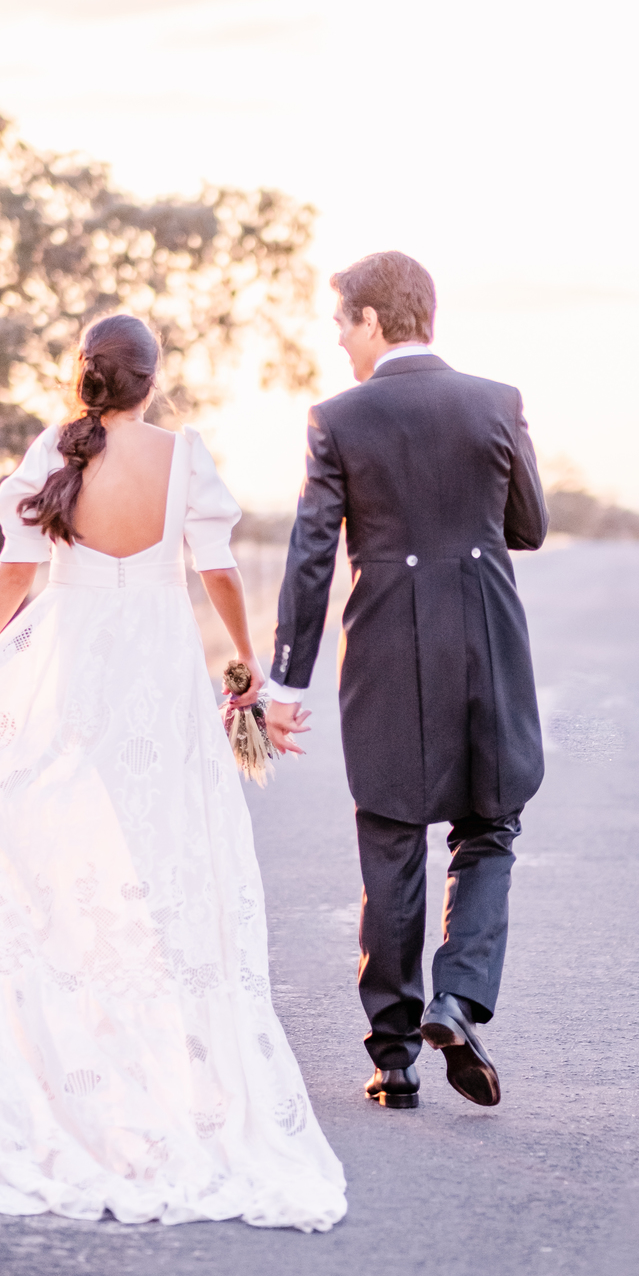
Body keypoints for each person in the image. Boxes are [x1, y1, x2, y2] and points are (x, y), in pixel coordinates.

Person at [0, 314, 346, 1233]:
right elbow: (219, 572)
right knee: (167, 859)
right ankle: (154, 1060)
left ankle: (75, 1045)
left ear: (85, 378)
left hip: (74, 666)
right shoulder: (182, 453)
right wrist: (245, 664)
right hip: (157, 674)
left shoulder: (56, 450)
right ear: (151, 381)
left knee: (67, 849)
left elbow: (14, 571)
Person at [265, 252, 547, 1112]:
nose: (338, 341)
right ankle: (457, 1000)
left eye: (340, 323)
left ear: (374, 320)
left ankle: (393, 1060)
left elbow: (313, 557)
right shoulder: (497, 402)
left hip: (385, 649)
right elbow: (529, 527)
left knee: (391, 841)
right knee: (488, 824)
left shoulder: (337, 419)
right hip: (487, 639)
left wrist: (286, 682)